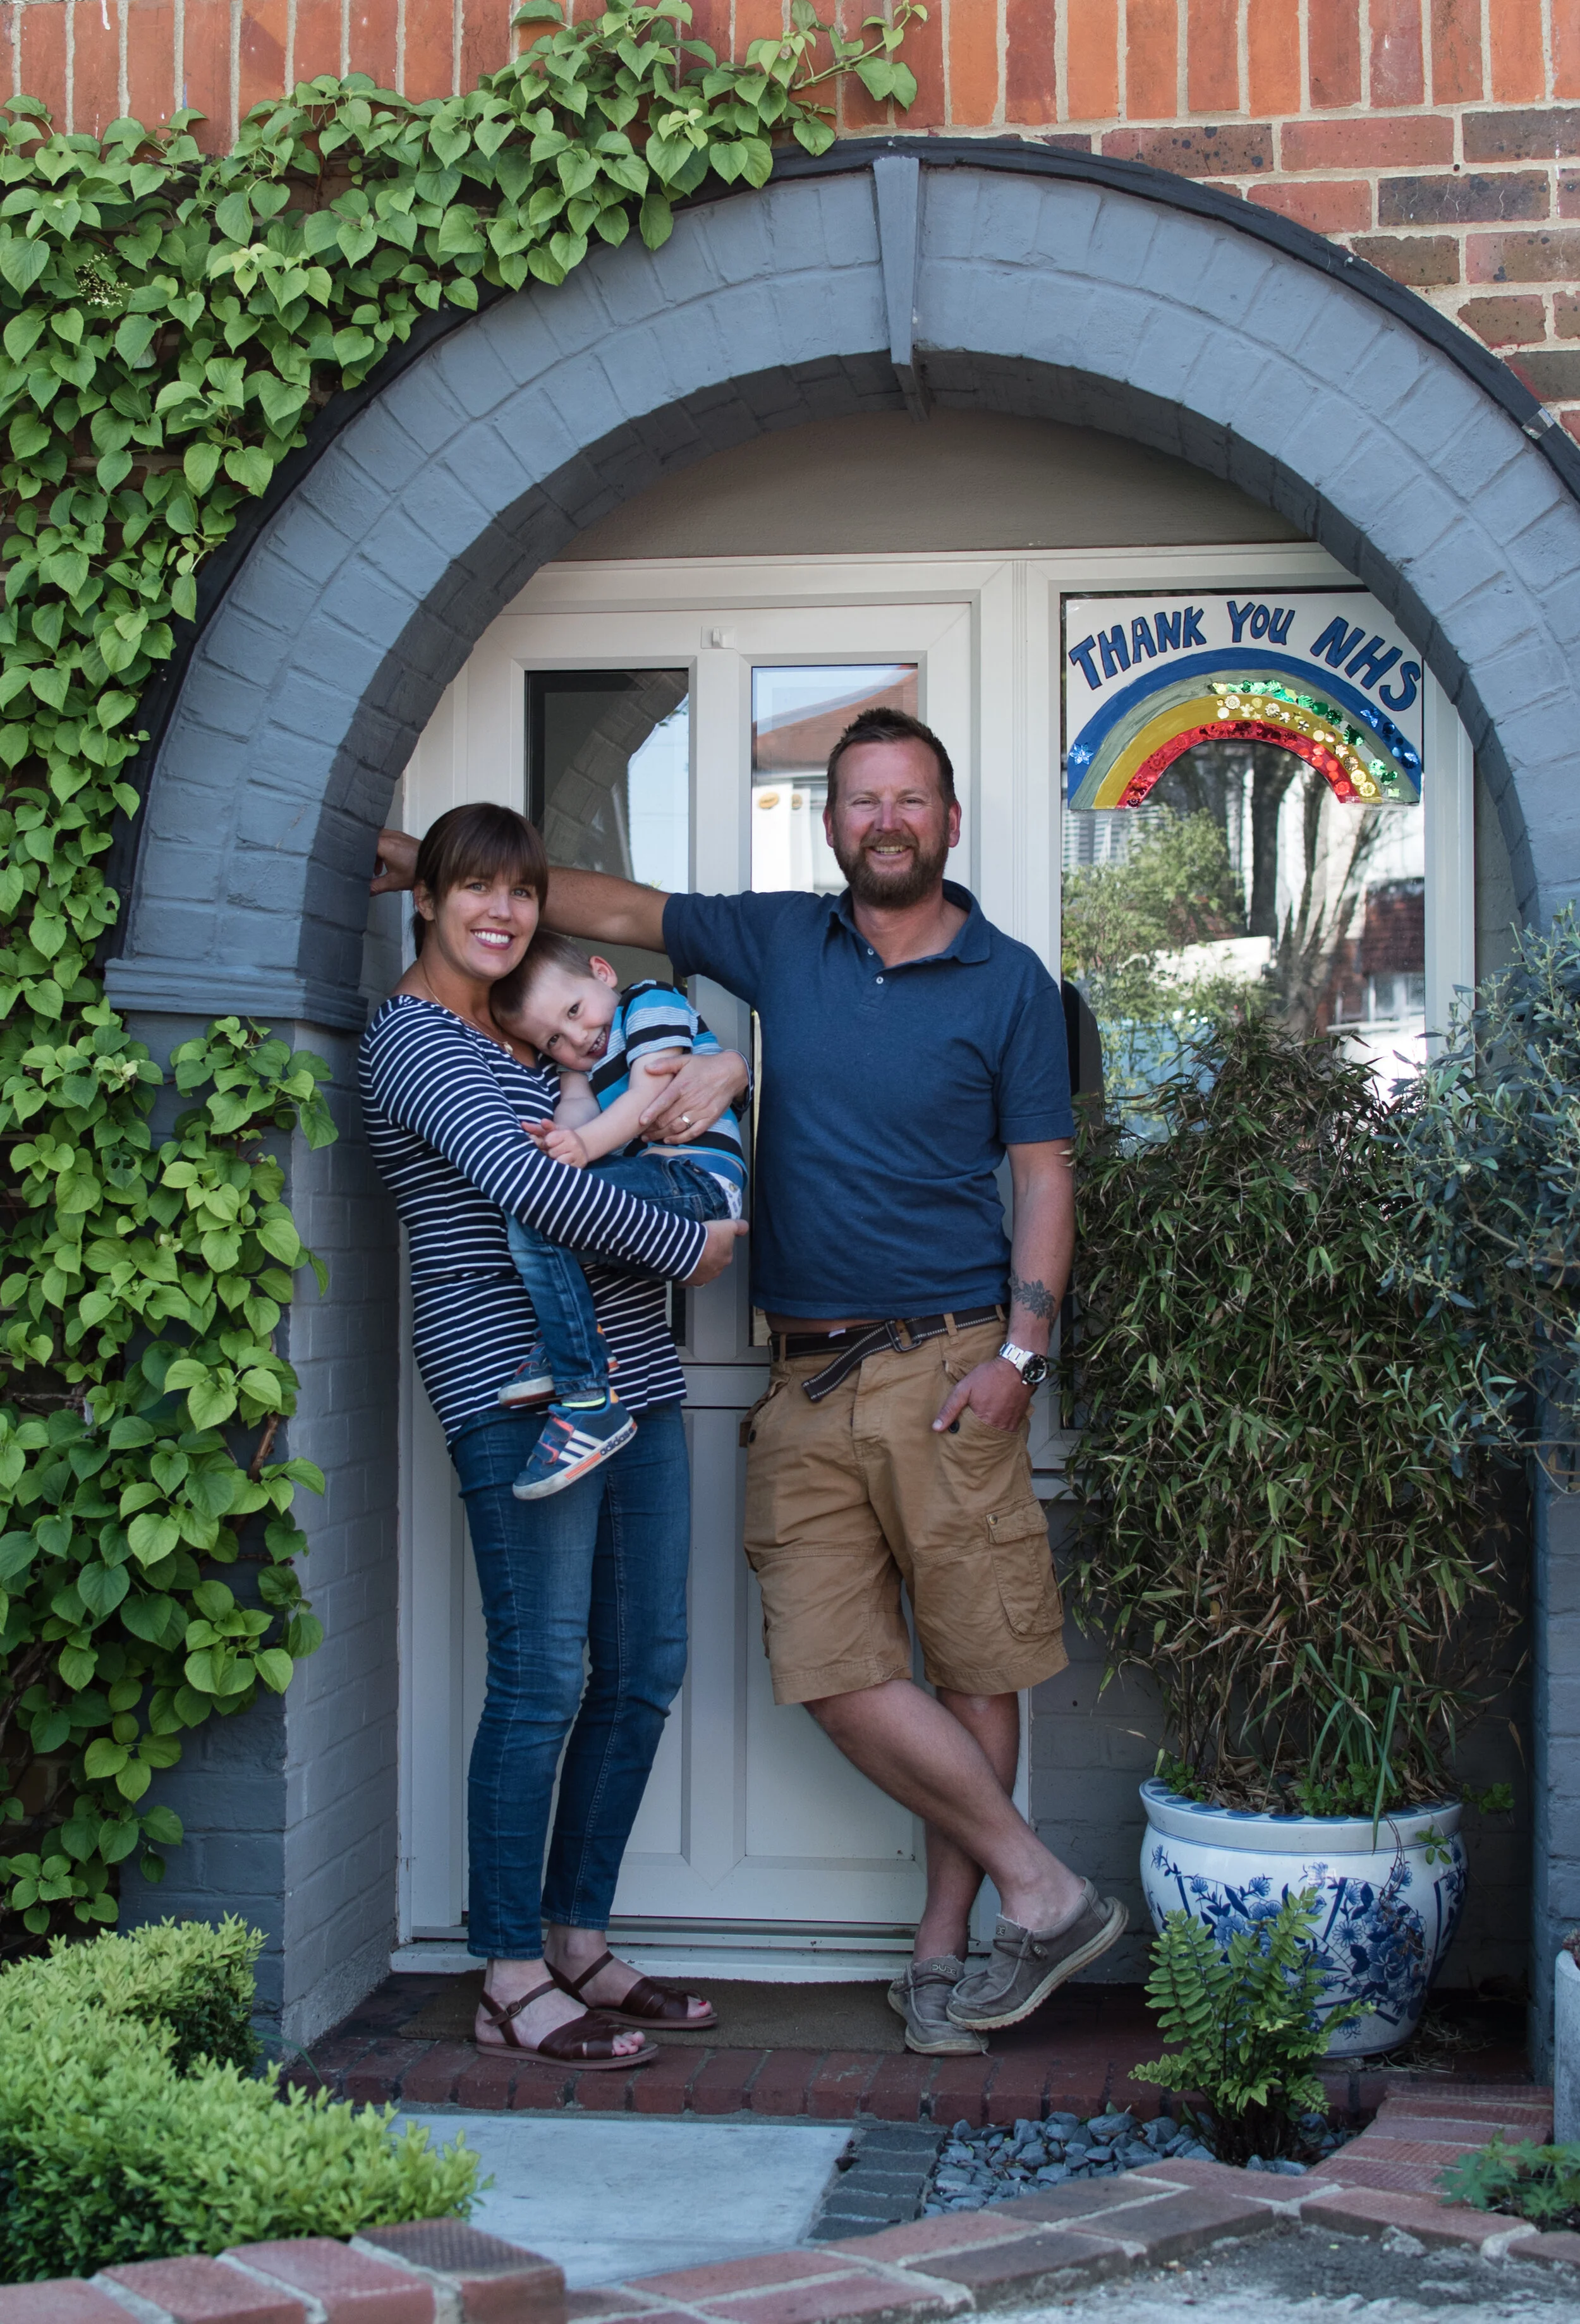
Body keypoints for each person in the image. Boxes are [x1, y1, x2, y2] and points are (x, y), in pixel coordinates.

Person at [371, 710, 1125, 2057]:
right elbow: (622, 908)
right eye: (859, 800)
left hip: (953, 1357)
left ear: (949, 822)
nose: (884, 820)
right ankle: (1043, 1888)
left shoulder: (1007, 980)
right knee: (825, 1670)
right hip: (796, 1373)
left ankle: (944, 1958)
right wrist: (422, 862)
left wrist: (1022, 1352)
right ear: (829, 824)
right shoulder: (781, 942)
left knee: (965, 1661)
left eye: (908, 799)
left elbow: (1045, 1175)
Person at [360, 802, 747, 2066]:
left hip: (635, 1386)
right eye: (473, 889)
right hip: (518, 1398)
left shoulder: (529, 1032)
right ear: (424, 900)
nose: (501, 912)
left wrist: (718, 1072)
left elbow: (656, 1092)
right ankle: (508, 1964)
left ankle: (577, 1934)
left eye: (520, 892)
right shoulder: (416, 1044)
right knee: (542, 1676)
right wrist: (691, 1244)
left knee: (644, 1667)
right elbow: (536, 1189)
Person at [487, 933, 748, 1500]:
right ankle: (570, 1351)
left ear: (603, 972)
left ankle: (585, 1393)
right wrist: (562, 1139)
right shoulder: (577, 1062)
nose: (578, 1037)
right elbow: (578, 1104)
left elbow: (644, 1102)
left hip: (697, 1179)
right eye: (554, 1038)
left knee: (539, 1215)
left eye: (575, 1011)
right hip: (660, 1179)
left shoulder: (650, 1002)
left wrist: (580, 1150)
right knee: (546, 1213)